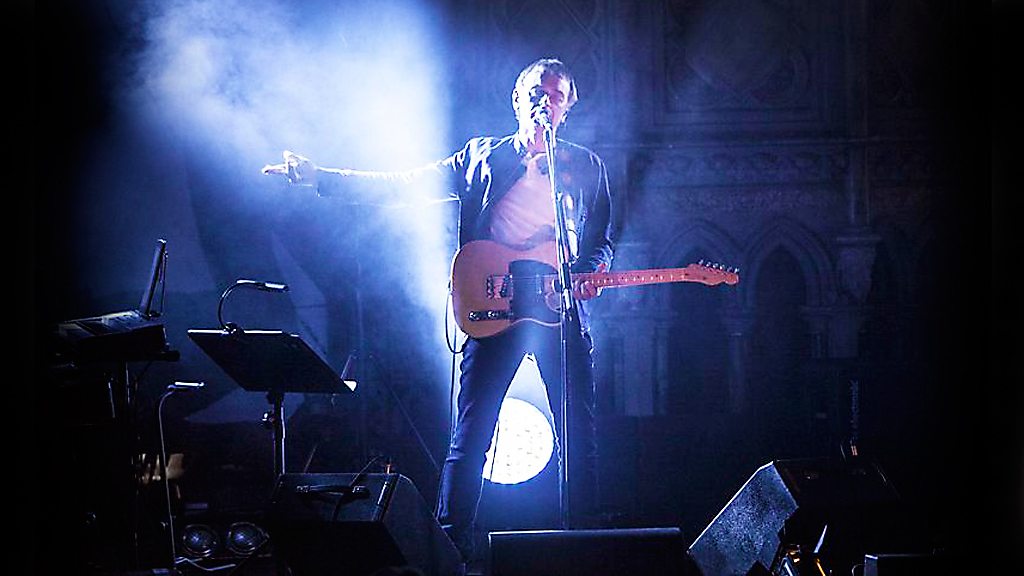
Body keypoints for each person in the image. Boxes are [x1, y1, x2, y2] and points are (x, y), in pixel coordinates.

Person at [263, 58, 613, 562]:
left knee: (579, 437)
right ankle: (448, 550)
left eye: (556, 96)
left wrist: (589, 272)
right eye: (537, 92)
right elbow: (403, 183)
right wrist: (320, 177)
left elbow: (601, 240)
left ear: (567, 108)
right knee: (471, 438)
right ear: (517, 100)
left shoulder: (585, 166)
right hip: (493, 308)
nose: (545, 102)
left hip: (558, 313)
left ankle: (586, 549)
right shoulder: (480, 157)